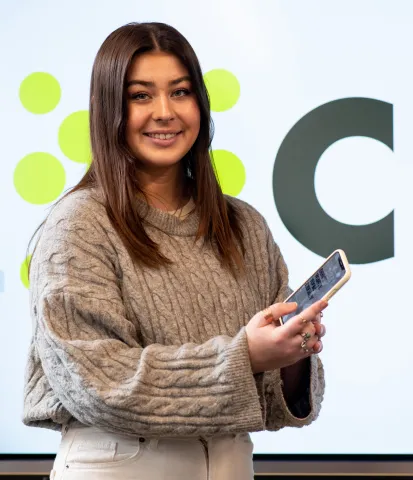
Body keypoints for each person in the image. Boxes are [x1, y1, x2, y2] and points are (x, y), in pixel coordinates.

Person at [23, 22, 328, 480]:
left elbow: (273, 405)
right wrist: (245, 356)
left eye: (180, 92)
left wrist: (293, 352)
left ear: (200, 106)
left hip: (229, 464)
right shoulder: (79, 225)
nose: (164, 112)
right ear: (108, 109)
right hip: (120, 464)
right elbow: (100, 385)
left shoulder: (243, 225)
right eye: (140, 95)